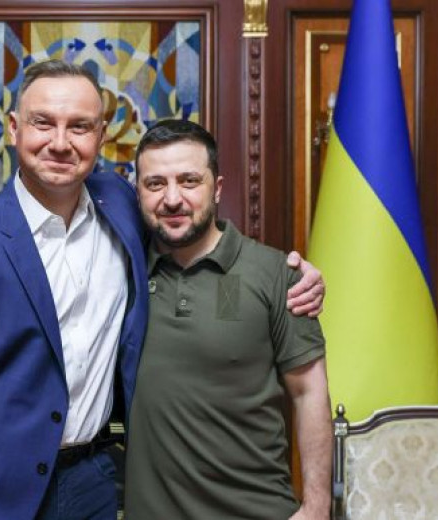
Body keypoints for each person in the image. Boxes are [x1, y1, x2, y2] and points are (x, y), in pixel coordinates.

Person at [0, 60, 324, 520]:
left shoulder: (122, 209)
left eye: (79, 126)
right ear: (13, 128)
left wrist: (291, 273)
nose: (60, 142)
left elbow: (192, 227)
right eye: (43, 122)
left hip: (97, 482)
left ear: (101, 136)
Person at [125, 119, 332, 520]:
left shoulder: (278, 275)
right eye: (155, 184)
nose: (172, 199)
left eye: (189, 181)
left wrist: (317, 507)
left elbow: (309, 392)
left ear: (217, 188)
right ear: (138, 193)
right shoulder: (121, 273)